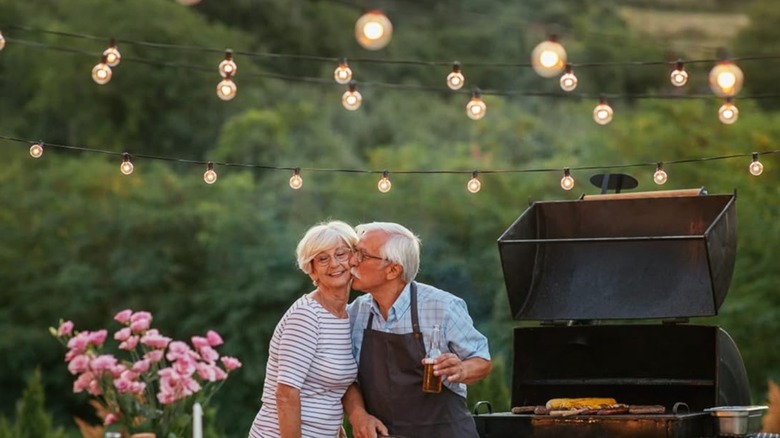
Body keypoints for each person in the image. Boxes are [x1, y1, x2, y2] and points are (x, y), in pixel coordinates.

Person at [343, 222, 492, 438]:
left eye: (362, 255)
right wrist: (358, 415)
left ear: (393, 270)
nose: (352, 261)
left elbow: (482, 361)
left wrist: (462, 369)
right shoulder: (355, 313)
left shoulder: (443, 307)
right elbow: (344, 377)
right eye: (354, 252)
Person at [249, 220, 358, 438]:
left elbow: (326, 391)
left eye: (341, 254)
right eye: (323, 259)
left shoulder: (348, 316)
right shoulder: (307, 316)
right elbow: (286, 394)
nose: (334, 264)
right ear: (312, 270)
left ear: (355, 258)